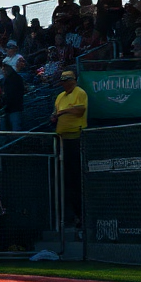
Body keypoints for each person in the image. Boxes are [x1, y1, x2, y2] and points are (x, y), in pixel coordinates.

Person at [51, 70, 87, 228]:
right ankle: (72, 215)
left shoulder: (80, 92)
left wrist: (63, 111)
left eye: (66, 81)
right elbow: (55, 112)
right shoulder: (60, 96)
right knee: (65, 180)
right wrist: (54, 115)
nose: (64, 84)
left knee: (77, 178)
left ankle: (82, 215)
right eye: (63, 82)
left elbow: (80, 110)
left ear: (73, 80)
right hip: (61, 140)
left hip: (76, 138)